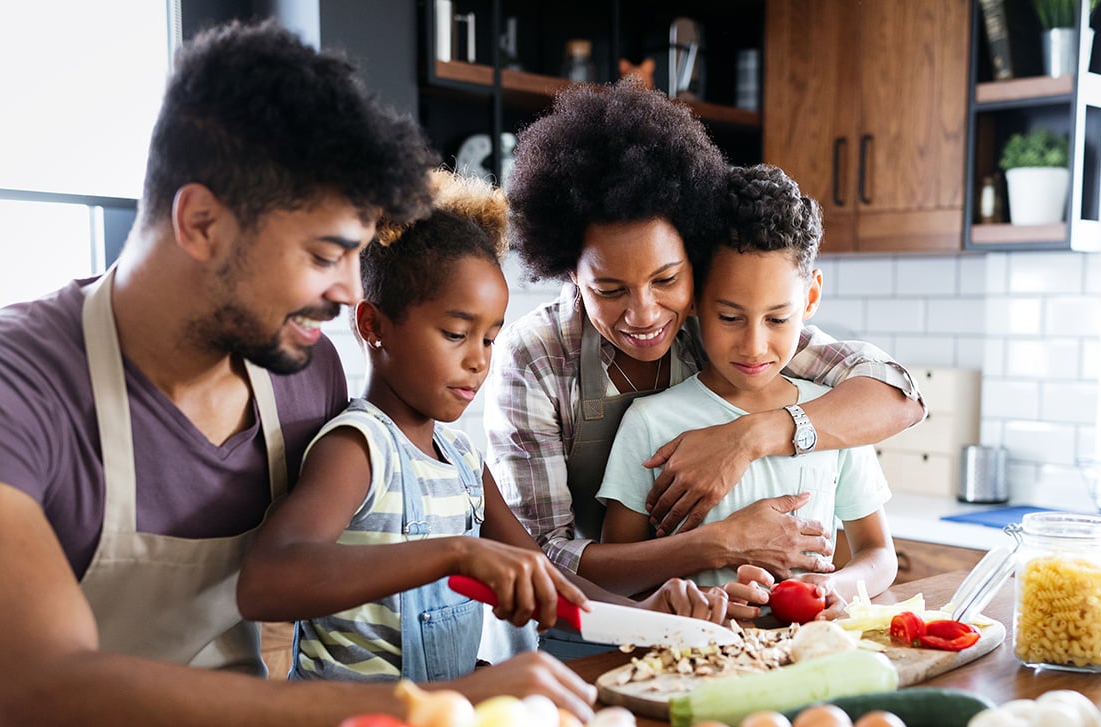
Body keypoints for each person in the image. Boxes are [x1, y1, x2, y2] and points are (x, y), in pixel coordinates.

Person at [0, 20, 595, 727]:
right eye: (327, 254)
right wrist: (436, 705)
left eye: (359, 255)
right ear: (200, 222)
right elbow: (51, 705)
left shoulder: (304, 376)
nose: (347, 291)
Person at [236, 170, 730, 684]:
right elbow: (266, 582)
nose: (478, 361)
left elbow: (547, 578)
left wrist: (648, 614)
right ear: (373, 326)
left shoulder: (464, 462)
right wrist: (456, 553)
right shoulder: (358, 449)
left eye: (490, 338)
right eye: (456, 333)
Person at [484, 78, 924, 604]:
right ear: (570, 275)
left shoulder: (722, 323)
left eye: (666, 280)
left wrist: (747, 438)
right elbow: (543, 558)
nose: (644, 314)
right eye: (609, 288)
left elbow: (898, 396)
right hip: (565, 633)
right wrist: (719, 544)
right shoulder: (534, 359)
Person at [599, 164, 898, 618]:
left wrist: (838, 585)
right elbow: (618, 577)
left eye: (778, 319)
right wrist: (689, 601)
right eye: (730, 317)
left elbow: (878, 554)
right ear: (695, 298)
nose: (755, 345)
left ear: (811, 298)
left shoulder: (831, 416)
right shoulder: (650, 422)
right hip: (694, 659)